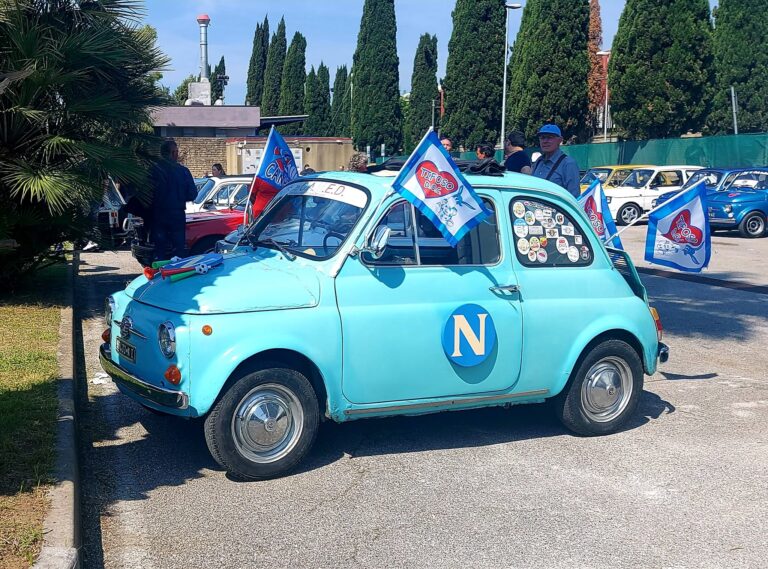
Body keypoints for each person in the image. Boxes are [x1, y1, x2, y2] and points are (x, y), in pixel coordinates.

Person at [150, 140, 197, 262]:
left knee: (159, 250)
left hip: (158, 214)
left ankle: (159, 273)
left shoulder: (153, 170)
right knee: (178, 251)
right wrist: (179, 196)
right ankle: (177, 273)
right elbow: (192, 194)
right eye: (176, 152)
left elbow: (146, 193)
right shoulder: (183, 171)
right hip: (177, 214)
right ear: (173, 153)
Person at [531, 124, 580, 197]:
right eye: (542, 137)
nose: (545, 141)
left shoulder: (568, 164)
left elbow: (574, 196)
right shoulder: (539, 161)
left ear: (559, 140)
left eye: (550, 137)